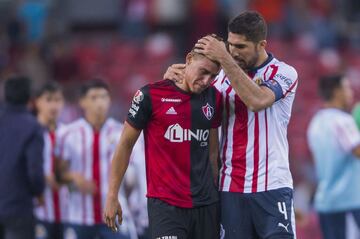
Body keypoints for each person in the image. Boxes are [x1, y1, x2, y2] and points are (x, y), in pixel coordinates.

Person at [165, 11, 298, 238]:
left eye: (242, 46)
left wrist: (225, 58)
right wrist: (172, 82)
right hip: (230, 188)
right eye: (231, 45)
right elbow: (188, 107)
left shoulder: (284, 72)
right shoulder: (217, 78)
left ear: (261, 44)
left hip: (272, 186)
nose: (234, 51)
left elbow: (257, 101)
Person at [104, 48, 223, 239]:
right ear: (189, 59)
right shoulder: (149, 95)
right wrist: (112, 195)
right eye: (203, 72)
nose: (206, 81)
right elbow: (125, 145)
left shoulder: (214, 97)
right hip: (166, 207)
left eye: (213, 76)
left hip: (206, 205)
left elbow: (212, 154)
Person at [56, 80, 138, 239]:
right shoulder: (68, 134)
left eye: (104, 97)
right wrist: (73, 177)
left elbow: (133, 172)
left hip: (113, 214)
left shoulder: (121, 133)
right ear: (82, 102)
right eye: (94, 97)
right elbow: (59, 173)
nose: (100, 102)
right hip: (79, 215)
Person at [307, 74, 360, 239]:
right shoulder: (343, 121)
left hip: (325, 202)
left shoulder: (315, 122)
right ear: (337, 92)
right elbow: (357, 151)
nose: (350, 93)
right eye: (347, 88)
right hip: (348, 201)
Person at [0, 76, 45, 239]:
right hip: (18, 207)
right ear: (30, 98)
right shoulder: (32, 126)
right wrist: (39, 191)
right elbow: (34, 170)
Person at [33, 81, 68, 239]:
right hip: (39, 211)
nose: (54, 106)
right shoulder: (30, 133)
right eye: (49, 100)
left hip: (68, 213)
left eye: (58, 100)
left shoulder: (69, 133)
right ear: (37, 102)